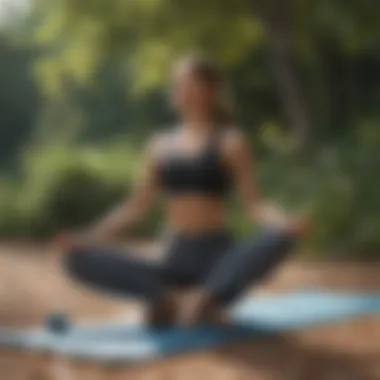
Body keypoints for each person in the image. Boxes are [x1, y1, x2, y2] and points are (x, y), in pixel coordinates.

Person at [57, 54, 309, 328]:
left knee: (279, 239)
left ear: (209, 90)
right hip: (173, 254)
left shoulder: (231, 142)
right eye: (176, 83)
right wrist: (89, 236)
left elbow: (254, 206)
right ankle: (163, 299)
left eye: (186, 82)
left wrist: (284, 223)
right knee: (76, 259)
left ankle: (208, 299)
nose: (178, 89)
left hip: (217, 254)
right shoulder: (159, 145)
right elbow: (135, 207)